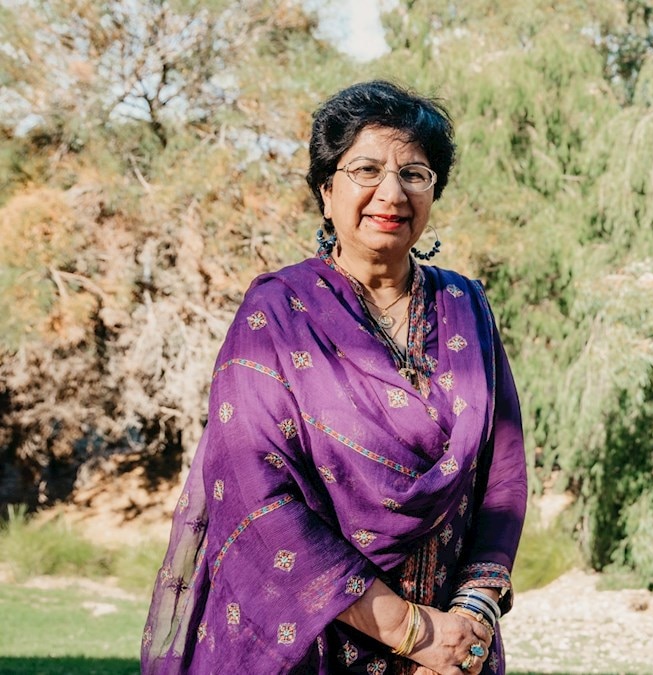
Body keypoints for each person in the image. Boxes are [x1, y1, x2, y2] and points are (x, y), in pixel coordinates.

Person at [142, 80, 528, 675]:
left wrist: (468, 623)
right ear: (326, 192)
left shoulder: (467, 308)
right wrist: (411, 629)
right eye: (366, 170)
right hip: (316, 645)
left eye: (415, 173)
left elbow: (502, 476)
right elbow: (254, 494)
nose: (391, 193)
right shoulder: (276, 313)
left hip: (452, 654)